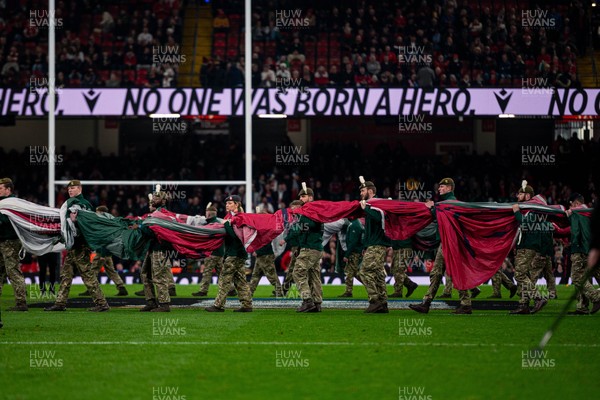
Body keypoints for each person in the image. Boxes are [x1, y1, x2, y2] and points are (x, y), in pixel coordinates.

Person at [409, 178, 475, 314]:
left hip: (452, 243)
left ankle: (465, 303)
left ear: (450, 188)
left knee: (450, 272)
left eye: (442, 186)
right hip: (446, 242)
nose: (439, 188)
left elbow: (440, 217)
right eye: (439, 186)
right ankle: (426, 303)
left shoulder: (449, 204)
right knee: (437, 272)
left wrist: (432, 207)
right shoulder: (448, 204)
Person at [45, 180, 110, 312]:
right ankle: (60, 303)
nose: (70, 190)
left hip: (80, 245)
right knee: (66, 274)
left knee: (87, 274)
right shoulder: (81, 204)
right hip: (74, 245)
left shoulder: (82, 204)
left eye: (73, 188)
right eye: (69, 188)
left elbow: (87, 224)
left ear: (79, 189)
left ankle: (102, 304)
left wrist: (75, 221)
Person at [206, 195, 253, 312]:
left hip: (235, 253)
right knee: (240, 280)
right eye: (226, 203)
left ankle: (218, 305)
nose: (227, 205)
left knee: (224, 279)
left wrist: (226, 225)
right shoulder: (229, 217)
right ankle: (247, 305)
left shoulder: (240, 218)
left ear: (237, 204)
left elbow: (237, 237)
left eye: (230, 203)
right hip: (236, 253)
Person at [509, 181, 549, 315]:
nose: (517, 196)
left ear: (527, 196)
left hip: (527, 245)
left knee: (519, 274)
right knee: (524, 275)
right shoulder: (530, 208)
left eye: (520, 194)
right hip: (527, 245)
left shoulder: (531, 208)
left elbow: (525, 224)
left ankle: (538, 297)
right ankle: (523, 305)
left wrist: (516, 212)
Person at [138, 188, 175, 312]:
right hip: (152, 249)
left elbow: (154, 232)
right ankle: (151, 301)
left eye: (157, 197)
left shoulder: (163, 215)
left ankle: (164, 304)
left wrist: (141, 226)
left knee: (159, 276)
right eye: (153, 197)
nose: (153, 199)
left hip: (159, 249)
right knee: (145, 274)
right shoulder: (156, 214)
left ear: (163, 201)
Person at [79, 206, 128, 297]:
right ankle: (121, 287)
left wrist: (102, 253)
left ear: (101, 212)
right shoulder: (110, 222)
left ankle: (91, 289)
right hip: (107, 251)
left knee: (93, 270)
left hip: (102, 251)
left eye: (97, 212)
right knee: (110, 270)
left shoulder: (102, 224)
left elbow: (104, 239)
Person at [358, 177, 390, 313]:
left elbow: (381, 219)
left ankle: (374, 300)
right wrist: (365, 247)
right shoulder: (371, 205)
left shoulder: (377, 204)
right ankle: (383, 303)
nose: (361, 193)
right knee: (378, 274)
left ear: (370, 191)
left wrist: (367, 209)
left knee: (364, 271)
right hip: (374, 244)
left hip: (378, 244)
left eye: (363, 190)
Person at [290, 183, 324, 312]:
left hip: (310, 247)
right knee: (314, 275)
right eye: (300, 197)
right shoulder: (313, 210)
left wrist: (299, 220)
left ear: (310, 197)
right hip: (313, 247)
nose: (301, 199)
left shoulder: (311, 211)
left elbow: (310, 226)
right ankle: (317, 303)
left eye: (303, 196)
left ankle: (307, 300)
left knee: (298, 272)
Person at [566, 194, 600, 314]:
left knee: (577, 277)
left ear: (575, 203)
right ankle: (582, 307)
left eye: (571, 204)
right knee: (589, 276)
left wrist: (573, 245)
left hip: (579, 249)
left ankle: (596, 297)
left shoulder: (577, 213)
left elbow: (575, 232)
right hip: (590, 249)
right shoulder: (590, 213)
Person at [0, 178, 28, 311]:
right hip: (2, 240)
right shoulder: (3, 203)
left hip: (10, 241)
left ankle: (21, 302)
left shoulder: (13, 203)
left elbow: (8, 221)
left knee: (13, 271)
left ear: (8, 189)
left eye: (0, 188)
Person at [193, 203, 226, 297]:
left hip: (211, 252)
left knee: (207, 272)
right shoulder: (219, 224)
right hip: (220, 252)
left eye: (206, 213)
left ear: (208, 214)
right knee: (221, 273)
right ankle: (230, 289)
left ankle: (203, 290)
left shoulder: (210, 225)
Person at [250, 207, 283, 297]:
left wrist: (258, 251)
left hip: (265, 255)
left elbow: (264, 242)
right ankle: (249, 293)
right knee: (256, 275)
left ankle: (279, 293)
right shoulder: (264, 227)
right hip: (263, 255)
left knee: (271, 276)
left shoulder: (264, 229)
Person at [281, 200, 304, 297]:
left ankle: (285, 289)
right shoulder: (295, 218)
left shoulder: (299, 218)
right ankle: (285, 289)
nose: (292, 209)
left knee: (295, 269)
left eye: (294, 207)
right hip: (296, 246)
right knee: (295, 269)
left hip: (299, 246)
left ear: (299, 206)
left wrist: (285, 240)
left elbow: (295, 232)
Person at [338, 218, 364, 297]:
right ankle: (370, 285)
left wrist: (347, 255)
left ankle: (348, 291)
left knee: (349, 272)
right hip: (356, 252)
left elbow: (353, 242)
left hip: (354, 253)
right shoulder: (356, 224)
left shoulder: (354, 225)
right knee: (354, 272)